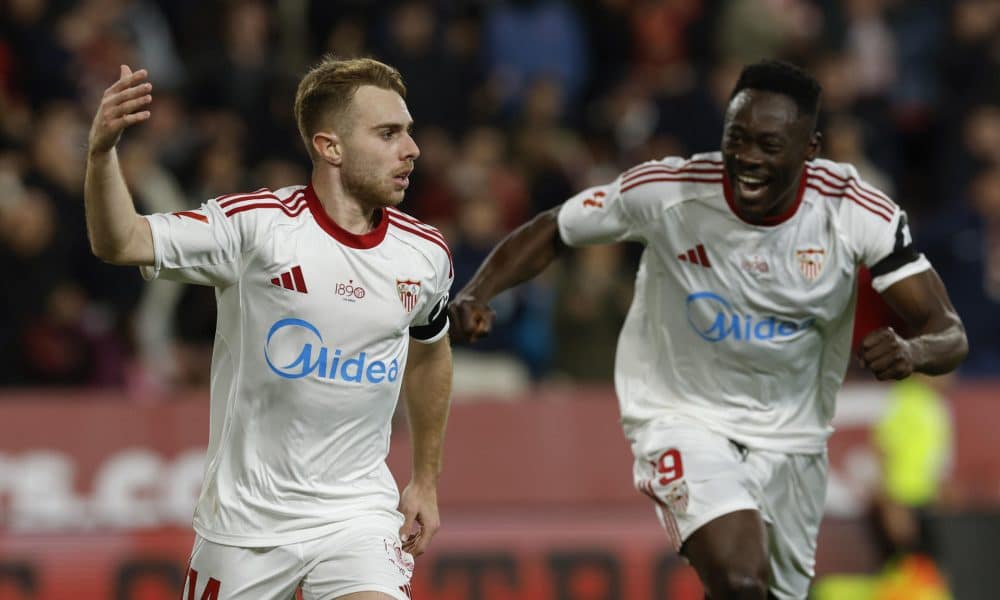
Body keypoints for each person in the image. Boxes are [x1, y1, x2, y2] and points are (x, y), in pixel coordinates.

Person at [449, 60, 967, 600]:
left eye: (769, 145)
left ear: (810, 149)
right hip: (682, 414)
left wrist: (913, 351)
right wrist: (477, 292)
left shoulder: (855, 212)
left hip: (793, 438)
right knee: (741, 580)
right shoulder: (670, 191)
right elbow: (555, 227)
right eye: (736, 138)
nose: (745, 158)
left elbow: (948, 330)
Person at [85, 56, 454, 600]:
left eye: (409, 132)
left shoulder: (423, 254)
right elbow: (121, 242)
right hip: (244, 528)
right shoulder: (256, 228)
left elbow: (430, 351)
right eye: (388, 133)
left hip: (357, 516)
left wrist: (425, 478)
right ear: (330, 147)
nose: (411, 149)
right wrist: (101, 153)